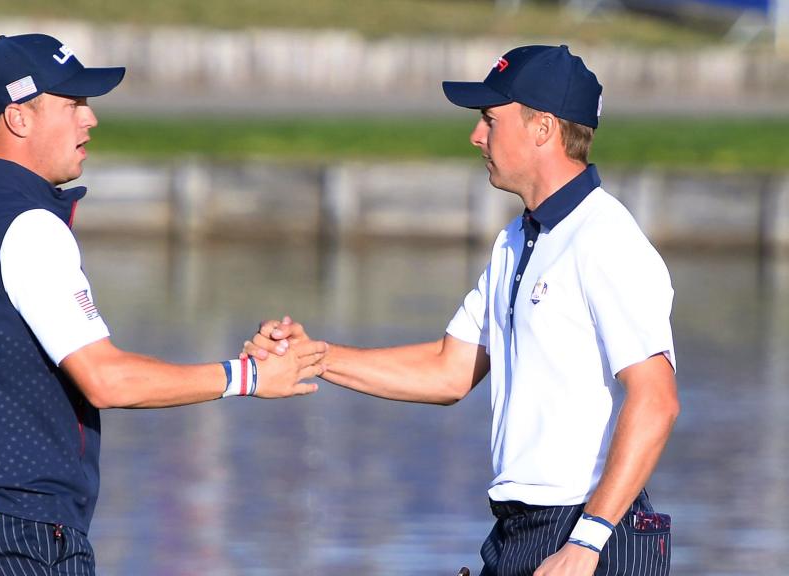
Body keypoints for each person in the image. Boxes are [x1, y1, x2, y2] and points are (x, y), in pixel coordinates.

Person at [247, 45, 679, 576]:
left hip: (591, 533)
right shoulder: (516, 239)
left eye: (490, 120)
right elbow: (448, 369)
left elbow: (656, 399)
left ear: (542, 128)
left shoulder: (605, 240)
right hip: (519, 530)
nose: (477, 136)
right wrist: (315, 358)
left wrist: (587, 543)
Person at [0, 33, 326, 576]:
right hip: (23, 534)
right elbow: (107, 381)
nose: (91, 120)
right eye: (73, 104)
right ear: (19, 118)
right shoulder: (29, 226)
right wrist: (248, 375)